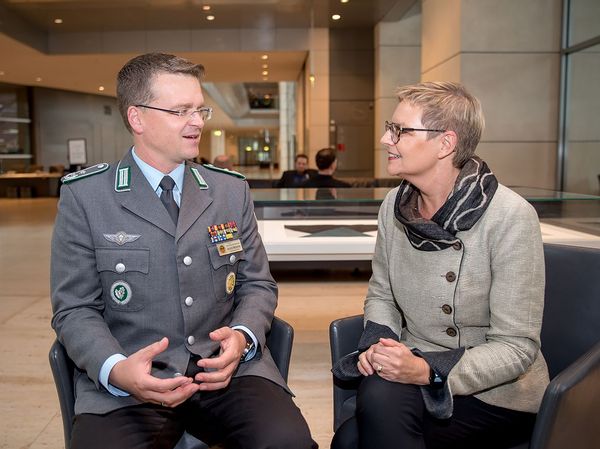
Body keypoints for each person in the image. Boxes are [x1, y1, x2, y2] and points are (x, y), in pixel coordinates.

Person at [50, 52, 316, 449]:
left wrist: (241, 338)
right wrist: (118, 370)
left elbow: (257, 284)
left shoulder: (229, 190)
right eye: (180, 111)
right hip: (130, 382)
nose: (197, 123)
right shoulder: (86, 197)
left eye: (199, 110)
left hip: (227, 374)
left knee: (287, 441)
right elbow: (75, 307)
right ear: (137, 118)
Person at [331, 81, 548, 449]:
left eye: (399, 130)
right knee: (358, 428)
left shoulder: (511, 217)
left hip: (494, 392)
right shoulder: (393, 206)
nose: (386, 139)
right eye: (390, 127)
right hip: (412, 363)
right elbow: (382, 293)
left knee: (357, 431)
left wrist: (425, 369)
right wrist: (379, 346)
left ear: (445, 144)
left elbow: (516, 348)